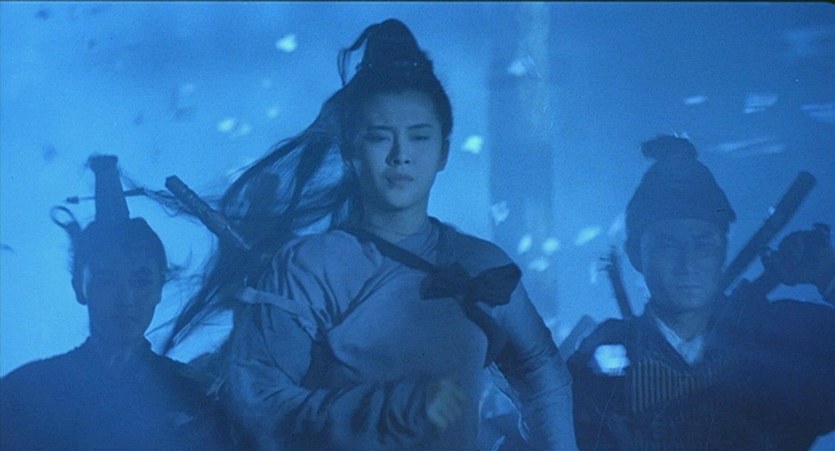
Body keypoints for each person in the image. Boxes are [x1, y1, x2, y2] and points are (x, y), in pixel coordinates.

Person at [163, 18, 577, 450]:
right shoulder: (308, 269)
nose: (401, 156)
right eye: (380, 138)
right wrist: (393, 410)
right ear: (349, 149)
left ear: (443, 151)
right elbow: (257, 401)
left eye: (419, 137)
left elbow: (540, 370)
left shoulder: (481, 264)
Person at [567, 135, 835, 450]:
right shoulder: (602, 354)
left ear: (723, 250)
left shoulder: (785, 333)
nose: (688, 263)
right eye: (668, 245)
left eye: (704, 244)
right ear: (636, 253)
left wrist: (827, 274)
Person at [0, 218, 231, 450]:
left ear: (159, 288)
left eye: (141, 282)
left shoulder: (195, 397)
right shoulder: (25, 394)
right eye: (107, 280)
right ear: (79, 287)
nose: (126, 299)